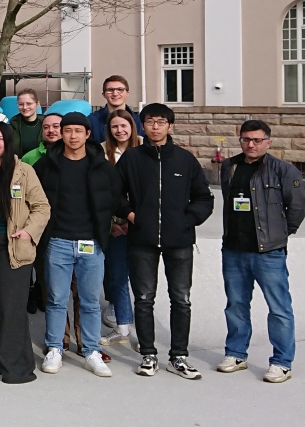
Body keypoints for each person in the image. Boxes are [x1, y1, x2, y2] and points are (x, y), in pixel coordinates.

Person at [116, 103, 214, 379]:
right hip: (142, 240)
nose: (155, 127)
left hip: (179, 241)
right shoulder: (132, 159)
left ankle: (178, 356)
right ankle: (148, 354)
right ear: (142, 125)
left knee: (181, 299)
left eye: (161, 122)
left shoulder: (185, 159)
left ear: (170, 126)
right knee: (144, 299)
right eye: (150, 121)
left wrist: (187, 220)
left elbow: (204, 198)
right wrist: (131, 215)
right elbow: (113, 193)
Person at [217, 120, 305, 383]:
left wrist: (278, 235)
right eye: (246, 139)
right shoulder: (229, 166)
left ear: (268, 141)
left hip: (268, 252)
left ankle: (281, 362)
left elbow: (297, 209)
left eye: (257, 140)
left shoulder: (284, 170)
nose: (251, 144)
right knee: (235, 305)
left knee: (279, 308)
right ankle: (236, 353)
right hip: (234, 250)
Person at [33, 112, 122, 378]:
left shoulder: (101, 165)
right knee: (56, 300)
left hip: (91, 243)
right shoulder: (48, 164)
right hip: (58, 241)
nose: (72, 136)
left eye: (77, 131)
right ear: (61, 133)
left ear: (87, 134)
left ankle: (91, 351)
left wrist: (126, 216)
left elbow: (116, 197)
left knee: (91, 302)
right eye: (67, 130)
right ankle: (55, 348)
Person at [0, 122, 50, 384]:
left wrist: (28, 232)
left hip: (13, 244)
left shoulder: (23, 172)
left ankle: (17, 367)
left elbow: (41, 207)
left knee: (10, 305)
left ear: (8, 142)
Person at [98, 109, 142, 347]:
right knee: (117, 275)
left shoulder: (144, 148)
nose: (119, 130)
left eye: (124, 126)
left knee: (141, 278)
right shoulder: (103, 151)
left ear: (132, 127)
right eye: (115, 126)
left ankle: (143, 331)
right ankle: (123, 326)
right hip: (115, 224)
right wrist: (114, 221)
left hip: (141, 224)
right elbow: (103, 192)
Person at [87, 75, 144, 144]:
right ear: (103, 94)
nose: (115, 94)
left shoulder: (139, 121)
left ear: (127, 93)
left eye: (120, 89)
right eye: (110, 90)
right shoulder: (92, 121)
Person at [9, 88, 44, 157]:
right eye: (21, 104)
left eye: (29, 104)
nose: (24, 107)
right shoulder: (11, 128)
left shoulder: (46, 125)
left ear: (37, 104)